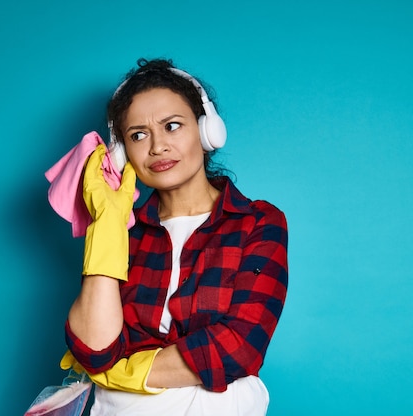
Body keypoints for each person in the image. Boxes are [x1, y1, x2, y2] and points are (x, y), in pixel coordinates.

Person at [61, 58, 288, 415]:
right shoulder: (125, 233)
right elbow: (94, 350)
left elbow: (240, 346)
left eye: (172, 126)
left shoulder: (257, 222)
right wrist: (106, 226)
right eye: (138, 135)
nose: (157, 147)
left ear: (206, 129)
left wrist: (129, 373)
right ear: (122, 153)